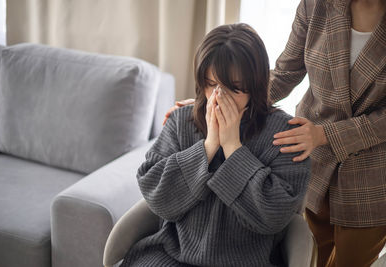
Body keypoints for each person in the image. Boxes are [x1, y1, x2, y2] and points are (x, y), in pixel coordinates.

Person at [165, 0, 386, 266]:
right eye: (210, 84)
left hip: (373, 172)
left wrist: (325, 134)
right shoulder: (317, 5)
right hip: (312, 156)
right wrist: (217, 100)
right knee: (312, 253)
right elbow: (284, 73)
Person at [120, 23, 310, 267]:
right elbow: (157, 198)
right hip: (170, 255)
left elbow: (274, 216)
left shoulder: (285, 134)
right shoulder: (181, 121)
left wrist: (233, 148)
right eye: (211, 84)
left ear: (255, 85)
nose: (220, 97)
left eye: (234, 88)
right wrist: (208, 147)